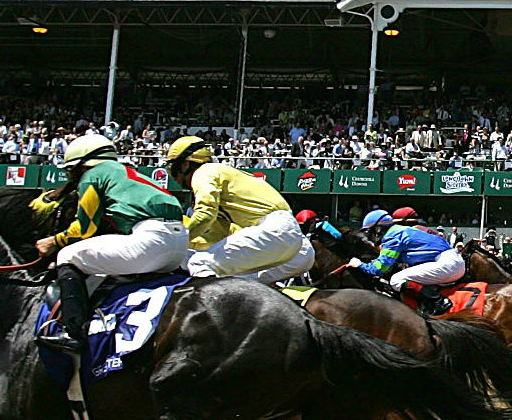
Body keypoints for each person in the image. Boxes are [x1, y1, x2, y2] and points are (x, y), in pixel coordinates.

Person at [35, 133, 190, 355]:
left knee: (67, 256)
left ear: (82, 165)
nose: (71, 175)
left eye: (70, 170)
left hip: (150, 240)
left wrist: (54, 241)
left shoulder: (92, 176)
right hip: (178, 244)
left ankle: (72, 331)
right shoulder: (125, 172)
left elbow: (84, 229)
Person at [164, 135, 313, 285]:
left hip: (274, 230)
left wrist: (175, 242)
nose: (174, 177)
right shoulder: (221, 179)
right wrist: (190, 246)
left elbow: (205, 213)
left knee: (199, 263)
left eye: (173, 169)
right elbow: (217, 235)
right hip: (296, 248)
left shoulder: (203, 172)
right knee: (239, 280)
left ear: (185, 165)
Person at [357, 209, 464, 315]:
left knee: (396, 280)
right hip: (452, 261)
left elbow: (379, 268)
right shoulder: (402, 231)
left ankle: (438, 302)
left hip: (448, 264)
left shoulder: (392, 236)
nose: (368, 236)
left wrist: (359, 264)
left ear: (378, 229)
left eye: (368, 232)